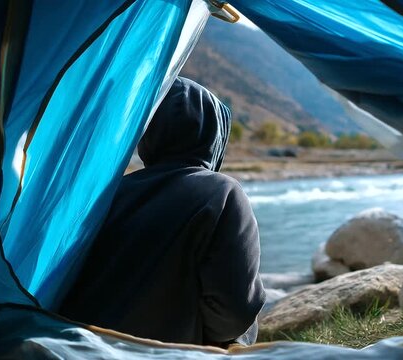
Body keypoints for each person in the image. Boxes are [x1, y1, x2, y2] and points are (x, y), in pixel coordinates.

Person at [58, 77, 265, 347]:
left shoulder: (110, 193)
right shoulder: (222, 192)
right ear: (214, 133)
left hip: (86, 347)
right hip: (168, 352)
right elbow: (235, 312)